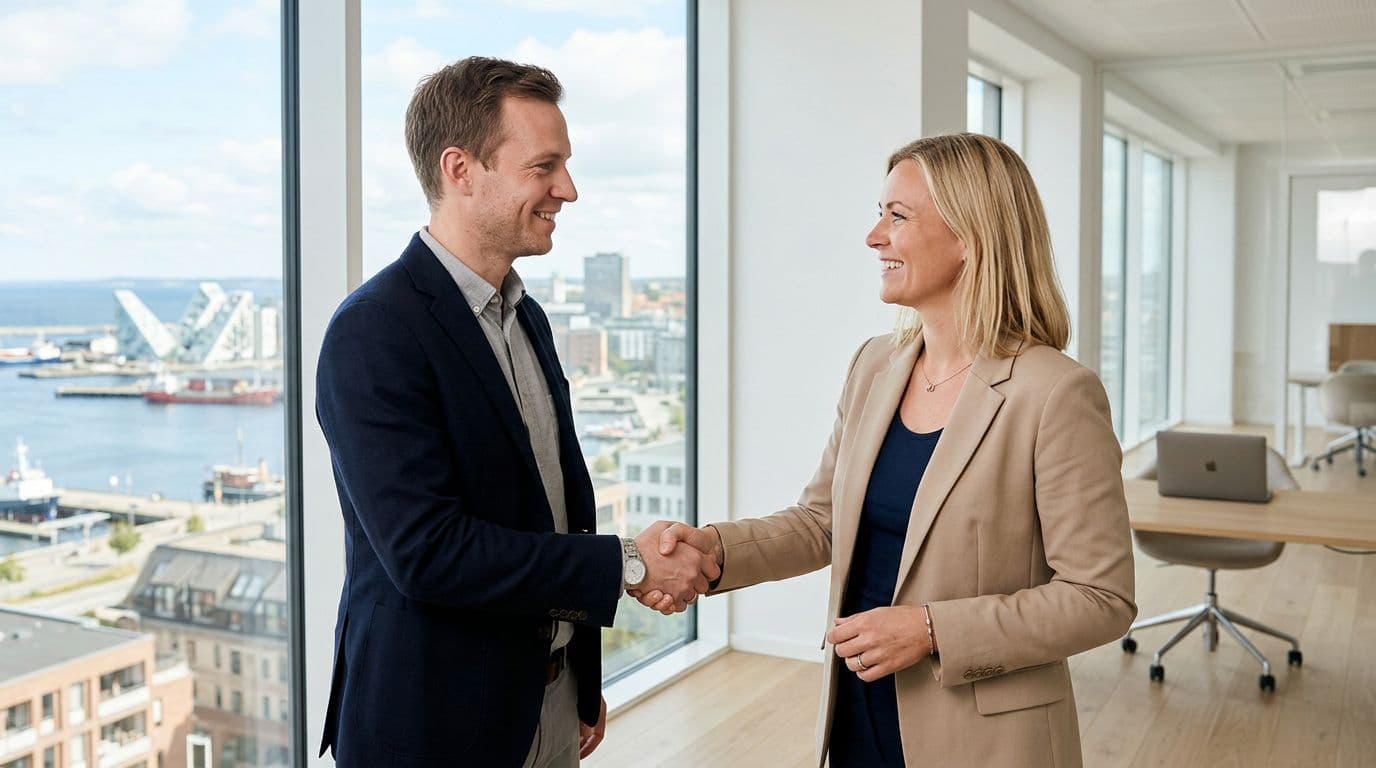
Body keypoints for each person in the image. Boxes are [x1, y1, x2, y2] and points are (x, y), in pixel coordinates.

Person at [637, 133, 1136, 767]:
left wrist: (932, 630)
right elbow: (822, 522)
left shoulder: (1056, 393)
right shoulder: (875, 364)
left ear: (969, 237)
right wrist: (716, 550)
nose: (874, 237)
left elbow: (1101, 598)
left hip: (982, 739)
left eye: (897, 217)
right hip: (856, 708)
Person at [314, 56, 719, 767]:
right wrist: (628, 565)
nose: (568, 189)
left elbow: (552, 506)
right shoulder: (373, 331)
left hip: (550, 702)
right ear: (461, 170)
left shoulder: (524, 316)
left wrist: (578, 676)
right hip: (435, 727)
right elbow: (428, 553)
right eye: (545, 166)